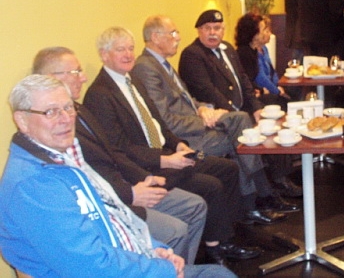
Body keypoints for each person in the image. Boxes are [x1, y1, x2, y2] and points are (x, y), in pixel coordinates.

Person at [0, 74, 235, 278]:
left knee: (216, 272)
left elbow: (115, 216)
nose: (65, 119)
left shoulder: (63, 157)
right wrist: (160, 269)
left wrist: (155, 250)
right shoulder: (34, 184)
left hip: (129, 261)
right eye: (51, 112)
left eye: (68, 108)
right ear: (22, 120)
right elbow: (88, 265)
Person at [82, 27, 261, 265]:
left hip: (167, 152)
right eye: (120, 50)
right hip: (147, 166)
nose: (128, 54)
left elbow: (158, 122)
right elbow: (120, 148)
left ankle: (225, 235)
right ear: (104, 55)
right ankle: (215, 248)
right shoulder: (99, 94)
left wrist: (178, 145)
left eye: (130, 48)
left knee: (226, 168)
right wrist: (165, 160)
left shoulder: (133, 80)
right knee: (210, 185)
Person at [32, 47, 206, 265]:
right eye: (76, 72)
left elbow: (113, 153)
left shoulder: (81, 110)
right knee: (176, 230)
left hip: (125, 183)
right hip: (112, 202)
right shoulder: (53, 130)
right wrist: (130, 194)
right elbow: (88, 180)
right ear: (51, 78)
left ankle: (181, 269)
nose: (83, 78)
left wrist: (144, 178)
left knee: (195, 206)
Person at [132, 15, 298, 216]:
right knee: (242, 139)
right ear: (155, 37)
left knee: (241, 123)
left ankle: (257, 201)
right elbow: (164, 120)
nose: (178, 37)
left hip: (198, 122)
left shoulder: (162, 64)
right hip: (185, 138)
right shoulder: (147, 67)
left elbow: (187, 100)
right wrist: (202, 121)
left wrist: (204, 109)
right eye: (173, 33)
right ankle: (259, 199)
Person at [179, 10, 301, 197]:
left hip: (242, 109)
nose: (213, 33)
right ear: (199, 31)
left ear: (223, 30)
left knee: (272, 113)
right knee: (248, 123)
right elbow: (208, 91)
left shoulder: (227, 49)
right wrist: (238, 112)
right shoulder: (193, 55)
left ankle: (280, 178)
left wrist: (256, 107)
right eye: (207, 28)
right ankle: (266, 191)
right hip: (221, 116)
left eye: (217, 28)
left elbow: (244, 81)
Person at [235, 13, 290, 108]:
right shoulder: (244, 53)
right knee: (285, 102)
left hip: (259, 92)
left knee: (289, 97)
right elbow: (249, 81)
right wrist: (264, 90)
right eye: (264, 29)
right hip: (250, 99)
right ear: (254, 34)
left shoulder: (253, 50)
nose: (268, 33)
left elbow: (271, 72)